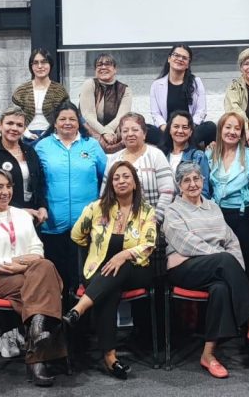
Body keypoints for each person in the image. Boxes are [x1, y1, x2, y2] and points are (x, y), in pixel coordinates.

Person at [163, 162, 249, 379]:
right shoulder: (173, 211)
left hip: (217, 268)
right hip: (183, 268)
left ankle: (208, 355)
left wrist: (233, 267)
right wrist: (222, 259)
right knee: (224, 260)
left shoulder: (213, 207)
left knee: (220, 288)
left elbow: (231, 241)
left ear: (203, 180)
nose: (192, 184)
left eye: (196, 178)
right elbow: (186, 244)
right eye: (186, 180)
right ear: (179, 185)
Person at [0, 169, 66, 386]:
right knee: (46, 283)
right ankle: (39, 349)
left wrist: (20, 264)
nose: (5, 192)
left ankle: (36, 341)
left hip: (29, 275)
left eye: (8, 186)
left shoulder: (22, 215)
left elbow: (38, 250)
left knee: (44, 269)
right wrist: (17, 264)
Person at [64, 161, 157, 380]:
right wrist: (94, 251)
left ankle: (78, 309)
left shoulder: (146, 211)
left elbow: (149, 244)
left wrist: (123, 255)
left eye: (126, 177)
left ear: (135, 183)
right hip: (99, 271)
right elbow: (76, 235)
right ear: (111, 184)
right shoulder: (96, 208)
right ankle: (110, 357)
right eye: (116, 178)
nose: (121, 181)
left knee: (119, 266)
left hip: (135, 269)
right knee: (109, 290)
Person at [34, 101, 107, 294]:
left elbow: (106, 178)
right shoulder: (42, 146)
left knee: (83, 280)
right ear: (55, 122)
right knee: (56, 280)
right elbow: (36, 182)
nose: (67, 123)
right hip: (52, 224)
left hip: (87, 224)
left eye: (72, 119)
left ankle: (82, 313)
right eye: (62, 119)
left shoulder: (91, 145)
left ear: (79, 122)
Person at [206, 112, 249, 286]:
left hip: (245, 218)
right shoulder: (210, 154)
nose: (232, 132)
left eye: (237, 128)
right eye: (228, 127)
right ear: (220, 130)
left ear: (242, 134)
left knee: (248, 267)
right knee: (224, 267)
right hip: (218, 217)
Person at [0, 108, 48, 219]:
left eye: (19, 125)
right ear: (0, 125)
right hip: (2, 216)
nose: (14, 128)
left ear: (24, 129)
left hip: (33, 215)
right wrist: (19, 211)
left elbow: (40, 183)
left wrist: (43, 207)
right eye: (10, 123)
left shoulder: (30, 151)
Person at [103, 113, 175, 222]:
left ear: (144, 133)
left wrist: (155, 220)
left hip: (152, 222)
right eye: (125, 131)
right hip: (118, 223)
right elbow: (105, 194)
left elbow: (167, 192)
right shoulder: (113, 159)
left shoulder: (156, 155)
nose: (130, 134)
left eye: (135, 130)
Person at [148, 44, 216, 147]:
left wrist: (187, 129)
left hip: (190, 131)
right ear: (169, 59)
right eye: (176, 55)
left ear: (188, 64)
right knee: (145, 128)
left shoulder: (196, 82)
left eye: (184, 58)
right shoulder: (156, 85)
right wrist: (167, 129)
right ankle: (176, 145)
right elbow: (155, 114)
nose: (180, 59)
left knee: (210, 127)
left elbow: (201, 111)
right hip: (166, 131)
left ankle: (181, 146)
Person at [80, 53, 134, 153]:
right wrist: (104, 132)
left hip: (113, 131)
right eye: (99, 65)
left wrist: (109, 130)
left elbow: (121, 116)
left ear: (115, 69)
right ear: (95, 70)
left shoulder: (125, 90)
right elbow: (88, 115)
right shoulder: (89, 84)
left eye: (108, 64)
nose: (103, 67)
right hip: (91, 129)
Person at [12, 48, 69, 142]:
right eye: (35, 63)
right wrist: (27, 133)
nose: (40, 66)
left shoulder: (59, 91)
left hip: (53, 136)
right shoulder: (21, 91)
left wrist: (49, 132)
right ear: (31, 66)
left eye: (44, 62)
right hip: (25, 136)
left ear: (50, 64)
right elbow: (14, 116)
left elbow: (65, 116)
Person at [160, 110, 211, 198]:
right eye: (176, 126)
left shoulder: (198, 156)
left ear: (190, 132)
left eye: (185, 127)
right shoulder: (162, 156)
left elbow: (204, 192)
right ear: (169, 130)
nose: (180, 131)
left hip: (190, 205)